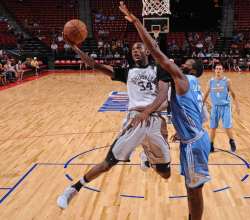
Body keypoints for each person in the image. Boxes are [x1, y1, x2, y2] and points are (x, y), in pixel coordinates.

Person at [119, 2, 210, 220]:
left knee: (194, 190)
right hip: (196, 138)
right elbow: (201, 114)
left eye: (185, 64)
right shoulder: (192, 85)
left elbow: (155, 51)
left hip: (193, 145)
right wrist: (183, 128)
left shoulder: (181, 79)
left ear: (191, 70)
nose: (181, 65)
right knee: (191, 188)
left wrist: (136, 22)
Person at [57, 39, 172, 209]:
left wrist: (148, 111)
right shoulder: (127, 73)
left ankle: (147, 157)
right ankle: (73, 189)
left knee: (165, 174)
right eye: (133, 48)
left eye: (139, 47)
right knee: (108, 163)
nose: (135, 50)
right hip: (135, 120)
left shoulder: (160, 69)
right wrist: (74, 47)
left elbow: (163, 96)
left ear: (148, 51)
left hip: (153, 119)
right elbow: (94, 64)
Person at [203, 63, 240, 152]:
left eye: (220, 69)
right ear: (214, 70)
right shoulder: (211, 81)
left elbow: (233, 94)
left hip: (225, 107)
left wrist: (237, 106)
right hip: (215, 107)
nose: (218, 70)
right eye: (217, 68)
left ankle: (231, 141)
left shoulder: (227, 81)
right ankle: (211, 145)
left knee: (227, 126)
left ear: (223, 70)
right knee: (213, 127)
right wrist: (201, 105)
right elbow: (206, 94)